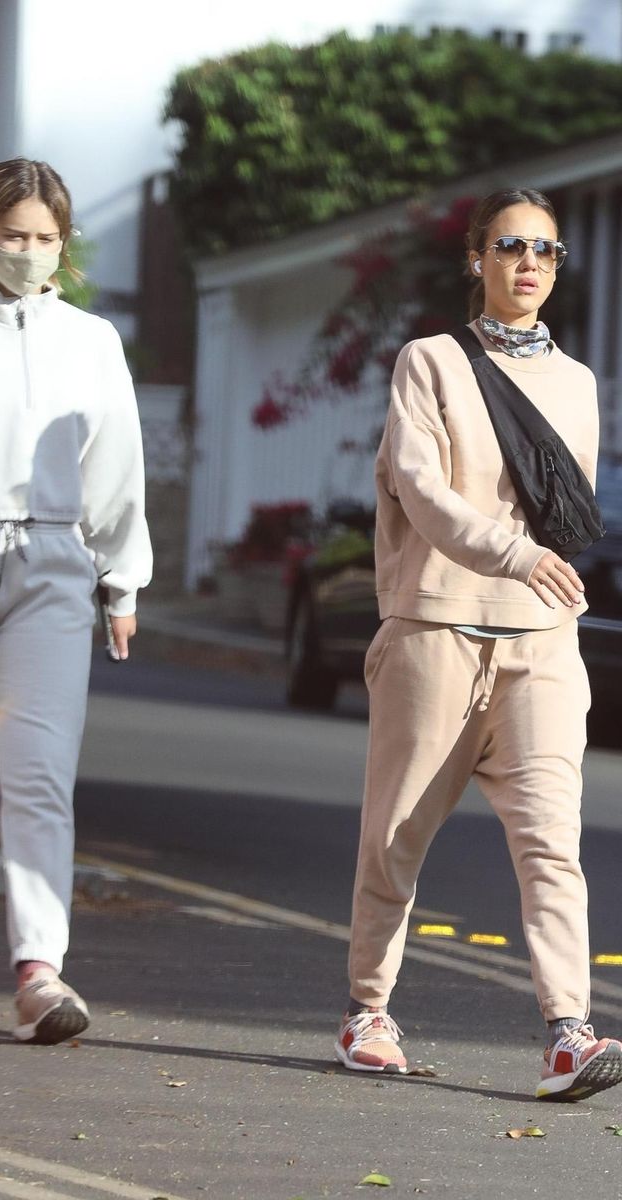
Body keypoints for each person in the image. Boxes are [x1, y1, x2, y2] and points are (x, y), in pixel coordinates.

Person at [334, 187, 622, 1101]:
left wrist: (543, 567)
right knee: (396, 837)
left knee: (552, 844)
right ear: (477, 259)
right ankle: (368, 1009)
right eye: (509, 246)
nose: (528, 264)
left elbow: (568, 509)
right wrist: (512, 549)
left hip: (541, 646)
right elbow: (420, 488)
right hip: (435, 631)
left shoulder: (577, 383)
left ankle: (569, 1033)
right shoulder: (429, 364)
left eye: (545, 250)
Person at [0, 158, 152, 1044]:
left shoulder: (92, 343)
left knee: (40, 777)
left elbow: (116, 465)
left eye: (46, 239)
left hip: (53, 561)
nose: (29, 253)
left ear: (65, 245)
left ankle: (39, 972)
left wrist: (122, 578)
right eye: (13, 236)